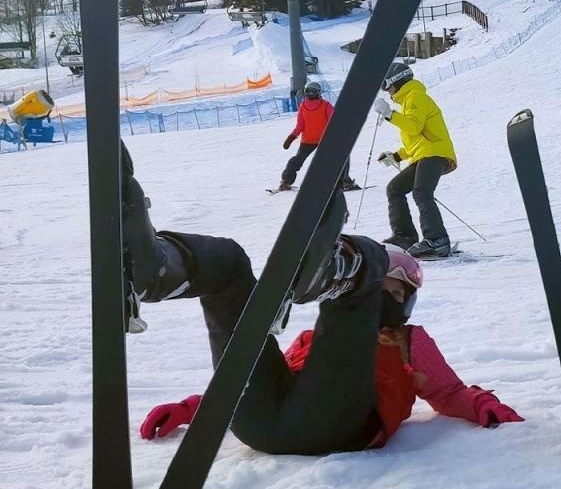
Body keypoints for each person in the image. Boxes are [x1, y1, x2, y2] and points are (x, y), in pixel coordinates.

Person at [120, 145, 520, 456]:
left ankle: (345, 265)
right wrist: (194, 409)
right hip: (259, 424)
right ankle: (155, 269)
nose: (385, 296)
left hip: (339, 425)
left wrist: (483, 405)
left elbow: (447, 392)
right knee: (230, 263)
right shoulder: (315, 340)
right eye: (380, 285)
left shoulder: (410, 341)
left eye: (392, 290)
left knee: (374, 257)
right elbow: (258, 369)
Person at [373, 61, 458, 259]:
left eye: (386, 85)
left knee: (422, 192)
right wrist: (396, 156)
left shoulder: (415, 96)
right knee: (395, 188)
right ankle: (405, 236)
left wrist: (389, 114)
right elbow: (416, 140)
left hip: (435, 153)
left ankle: (437, 240)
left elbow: (413, 127)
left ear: (398, 80)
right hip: (424, 154)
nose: (387, 90)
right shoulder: (409, 101)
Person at [277, 81, 334, 192]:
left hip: (319, 140)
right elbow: (300, 126)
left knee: (296, 161)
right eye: (308, 91)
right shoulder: (309, 106)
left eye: (311, 91)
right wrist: (291, 137)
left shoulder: (324, 106)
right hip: (315, 140)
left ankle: (286, 181)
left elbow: (333, 122)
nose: (309, 94)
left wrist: (291, 137)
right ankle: (285, 182)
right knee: (335, 160)